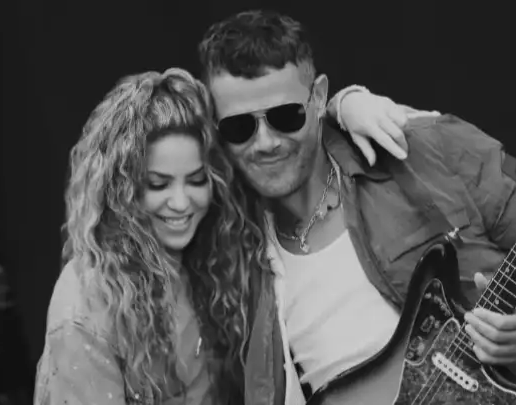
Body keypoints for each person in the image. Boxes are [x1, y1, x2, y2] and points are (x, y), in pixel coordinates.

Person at [198, 9, 516, 405]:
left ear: (318, 96)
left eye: (286, 116)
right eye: (239, 126)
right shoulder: (228, 251)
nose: (265, 142)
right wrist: (346, 101)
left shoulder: (425, 148)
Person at [33, 68, 412, 405]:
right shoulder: (86, 304)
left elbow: (285, 148)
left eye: (196, 180)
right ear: (121, 189)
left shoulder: (217, 248)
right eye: (158, 184)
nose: (181, 203)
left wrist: (345, 106)